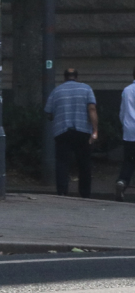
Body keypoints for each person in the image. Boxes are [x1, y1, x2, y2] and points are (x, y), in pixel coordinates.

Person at [45, 67, 99, 198]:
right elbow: (92, 109)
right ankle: (85, 193)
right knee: (84, 163)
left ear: (64, 77)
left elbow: (48, 112)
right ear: (76, 77)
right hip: (82, 131)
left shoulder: (56, 91)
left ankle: (62, 192)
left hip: (62, 131)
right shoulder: (86, 89)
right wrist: (95, 131)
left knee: (62, 162)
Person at [117, 68, 135, 201]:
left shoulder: (127, 90)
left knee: (129, 160)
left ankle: (122, 181)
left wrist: (125, 124)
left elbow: (122, 112)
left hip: (130, 132)